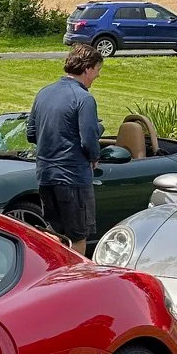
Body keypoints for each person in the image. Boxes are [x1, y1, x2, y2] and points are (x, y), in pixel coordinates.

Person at [26, 45, 105, 249]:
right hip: (73, 177)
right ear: (87, 69)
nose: (97, 75)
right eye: (97, 70)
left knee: (54, 233)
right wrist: (94, 156)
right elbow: (88, 140)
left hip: (45, 176)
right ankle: (75, 277)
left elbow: (31, 134)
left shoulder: (44, 93)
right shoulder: (84, 98)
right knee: (78, 235)